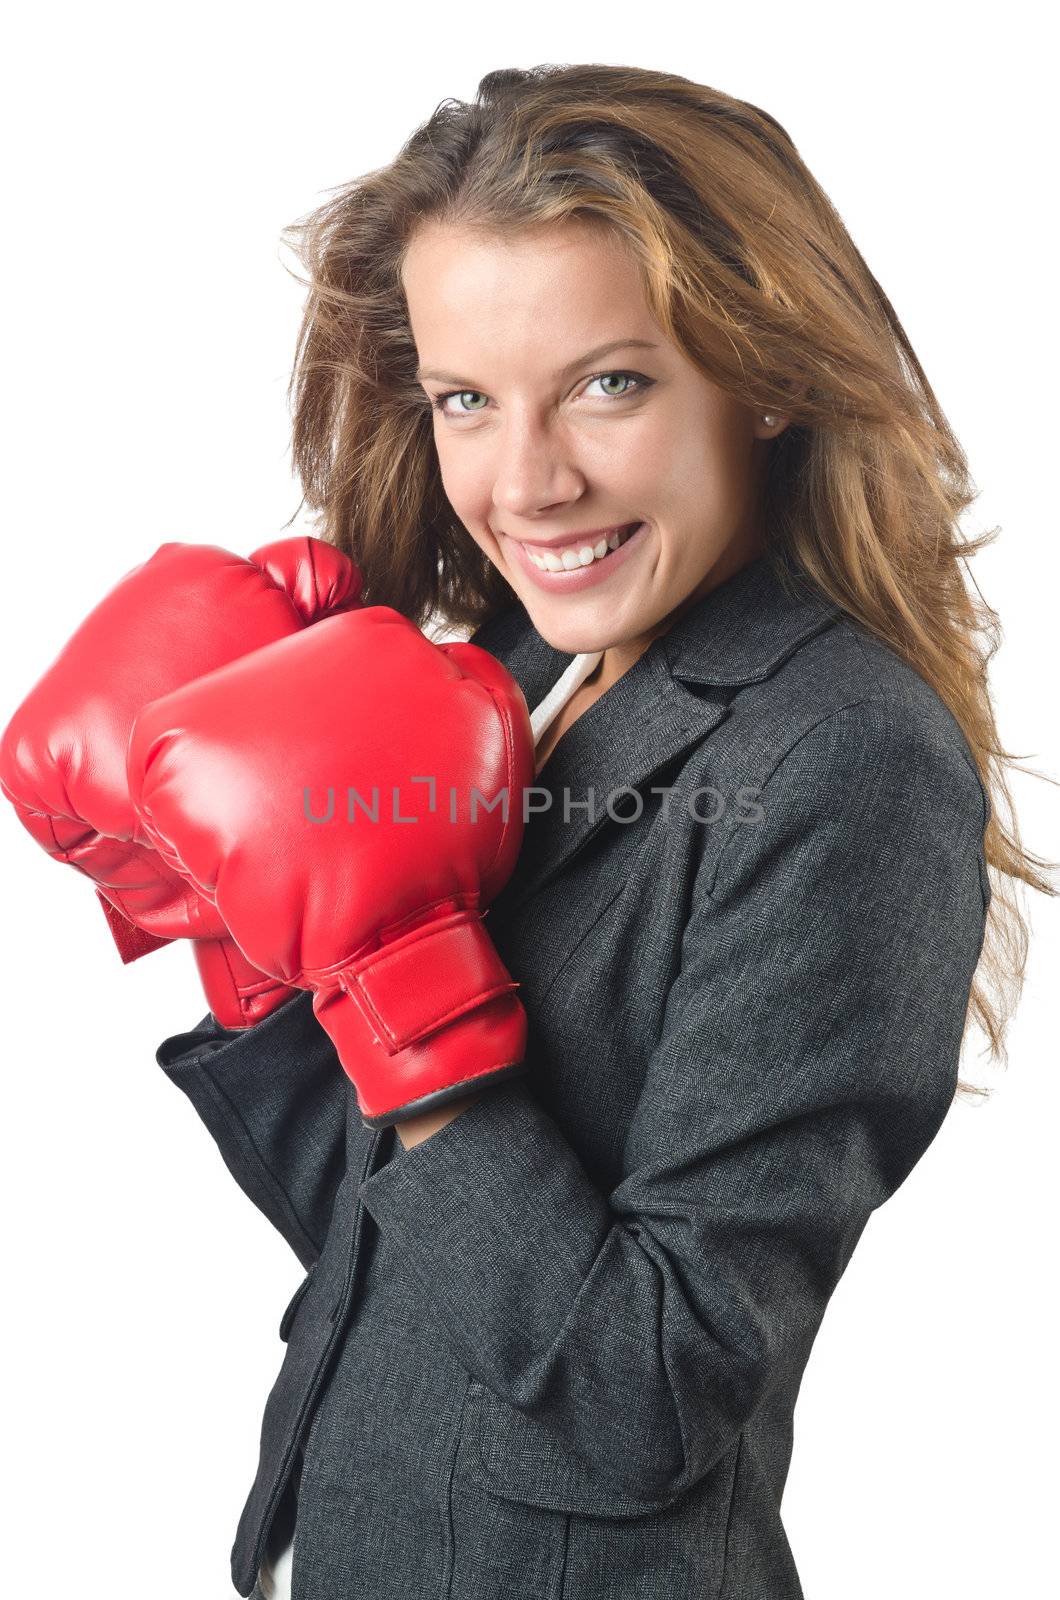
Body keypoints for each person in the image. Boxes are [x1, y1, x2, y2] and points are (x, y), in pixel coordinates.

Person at [2, 63, 1054, 1600]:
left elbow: (650, 1397)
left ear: (761, 377)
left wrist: (406, 986)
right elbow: (388, 1253)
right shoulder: (511, 673)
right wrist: (247, 947)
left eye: (609, 383)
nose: (528, 481)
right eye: (467, 402)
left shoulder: (845, 756)